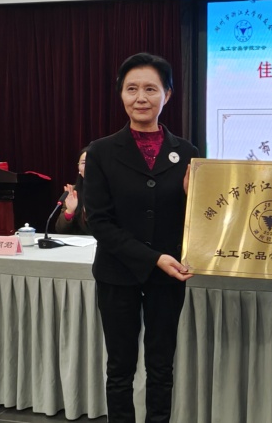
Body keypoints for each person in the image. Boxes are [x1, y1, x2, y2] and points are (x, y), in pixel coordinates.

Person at [84, 53, 197, 423]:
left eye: (151, 89)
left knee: (161, 367)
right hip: (118, 274)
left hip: (169, 276)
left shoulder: (187, 152)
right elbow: (99, 222)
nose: (141, 98)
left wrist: (192, 198)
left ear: (167, 94)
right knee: (120, 368)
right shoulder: (101, 151)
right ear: (121, 94)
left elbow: (199, 219)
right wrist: (153, 258)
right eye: (131, 89)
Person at [55, 147, 91, 235]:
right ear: (78, 168)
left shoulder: (113, 190)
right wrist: (69, 211)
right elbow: (60, 230)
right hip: (80, 241)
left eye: (93, 162)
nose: (88, 166)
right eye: (84, 163)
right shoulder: (73, 192)